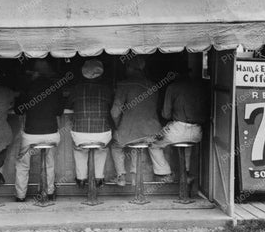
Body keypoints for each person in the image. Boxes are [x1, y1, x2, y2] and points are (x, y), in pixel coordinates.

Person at [110, 56, 170, 186]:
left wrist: (117, 126)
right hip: (153, 132)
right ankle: (135, 177)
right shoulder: (154, 85)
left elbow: (115, 112)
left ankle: (121, 176)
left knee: (116, 145)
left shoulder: (124, 85)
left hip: (130, 131)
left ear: (129, 68)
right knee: (137, 143)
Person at [14, 60, 64, 202]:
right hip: (52, 135)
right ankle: (49, 192)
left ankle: (20, 196)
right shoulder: (56, 87)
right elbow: (59, 111)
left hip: (31, 135)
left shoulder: (28, 87)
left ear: (34, 73)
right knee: (49, 161)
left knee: (22, 163)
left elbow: (18, 110)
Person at [153, 68, 210, 182]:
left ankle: (165, 173)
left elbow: (166, 114)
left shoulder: (172, 87)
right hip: (197, 132)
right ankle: (186, 173)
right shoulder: (199, 87)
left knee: (154, 144)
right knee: (186, 146)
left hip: (178, 130)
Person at [68, 59, 112, 187]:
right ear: (102, 73)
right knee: (101, 149)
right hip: (102, 135)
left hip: (80, 134)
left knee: (80, 150)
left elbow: (68, 106)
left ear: (82, 72)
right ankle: (99, 178)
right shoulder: (107, 89)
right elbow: (112, 108)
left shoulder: (76, 89)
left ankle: (81, 178)